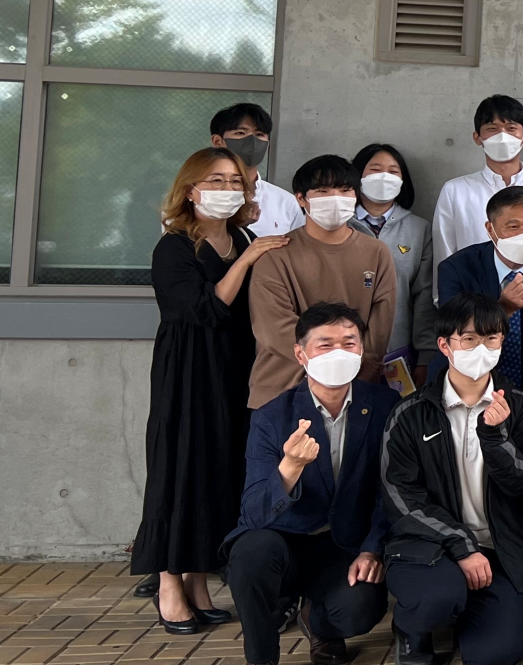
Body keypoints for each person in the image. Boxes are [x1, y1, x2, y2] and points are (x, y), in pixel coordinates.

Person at [134, 148, 287, 632]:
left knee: (219, 469)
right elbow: (205, 309)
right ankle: (168, 583)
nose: (226, 190)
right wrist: (249, 259)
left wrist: (252, 250)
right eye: (215, 180)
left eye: (234, 182)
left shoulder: (241, 236)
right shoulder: (174, 246)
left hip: (235, 369)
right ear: (191, 189)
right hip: (188, 372)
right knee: (180, 468)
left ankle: (198, 580)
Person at [381, 292, 523, 665]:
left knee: (495, 657)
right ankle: (411, 626)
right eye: (468, 339)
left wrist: (495, 437)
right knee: (436, 597)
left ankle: (466, 612)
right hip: (430, 545)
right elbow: (401, 498)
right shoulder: (410, 414)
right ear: (445, 345)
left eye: (491, 338)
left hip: (497, 549)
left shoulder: (515, 405)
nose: (480, 348)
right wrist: (461, 545)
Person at [223, 302, 394, 665]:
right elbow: (252, 512)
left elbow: (394, 490)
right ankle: (261, 658)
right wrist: (288, 469)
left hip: (343, 543)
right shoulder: (272, 416)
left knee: (360, 609)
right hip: (284, 540)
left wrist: (373, 549)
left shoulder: (385, 406)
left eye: (349, 343)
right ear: (301, 354)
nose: (338, 353)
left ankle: (319, 622)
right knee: (250, 552)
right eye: (325, 345)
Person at [247, 154, 397, 408]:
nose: (335, 198)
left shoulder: (376, 252)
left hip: (355, 389)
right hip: (283, 390)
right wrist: (329, 367)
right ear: (300, 198)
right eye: (323, 190)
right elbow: (272, 328)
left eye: (344, 190)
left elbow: (380, 325)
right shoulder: (275, 254)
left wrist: (356, 372)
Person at [435, 185, 523, 395]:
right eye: (513, 227)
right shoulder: (456, 268)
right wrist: (502, 310)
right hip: (469, 381)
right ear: (490, 229)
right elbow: (454, 331)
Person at [431, 94, 523, 271]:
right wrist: (443, 297)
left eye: (511, 128)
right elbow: (444, 251)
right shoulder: (455, 190)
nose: (502, 136)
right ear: (477, 137)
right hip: (471, 291)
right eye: (492, 129)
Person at [351, 143, 436, 379]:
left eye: (393, 171)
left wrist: (425, 356)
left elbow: (424, 296)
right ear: (358, 175)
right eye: (375, 169)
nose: (384, 177)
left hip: (396, 352)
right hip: (342, 349)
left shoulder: (418, 229)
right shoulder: (338, 224)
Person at [210, 102, 303, 237]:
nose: (252, 141)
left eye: (259, 134)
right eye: (241, 133)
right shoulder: (201, 195)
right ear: (218, 141)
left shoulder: (286, 203)